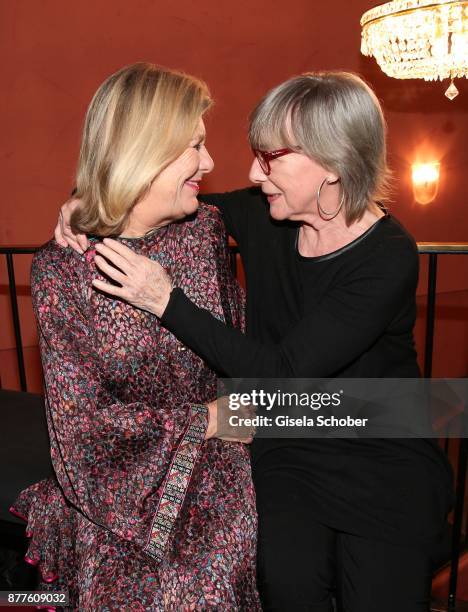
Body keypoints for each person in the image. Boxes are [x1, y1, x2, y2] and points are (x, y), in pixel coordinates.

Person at [56, 72, 454, 612]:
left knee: (383, 596)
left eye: (270, 159)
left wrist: (166, 301)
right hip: (287, 436)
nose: (251, 172)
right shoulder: (267, 214)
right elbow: (157, 192)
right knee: (288, 583)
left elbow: (283, 371)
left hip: (376, 439)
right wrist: (86, 203)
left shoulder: (388, 256)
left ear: (332, 163)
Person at [10, 63, 261, 611]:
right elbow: (81, 427)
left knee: (205, 580)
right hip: (114, 489)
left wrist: (238, 415)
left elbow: (236, 348)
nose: (210, 162)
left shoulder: (207, 231)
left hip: (223, 466)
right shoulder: (62, 269)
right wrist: (206, 420)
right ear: (144, 151)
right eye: (195, 145)